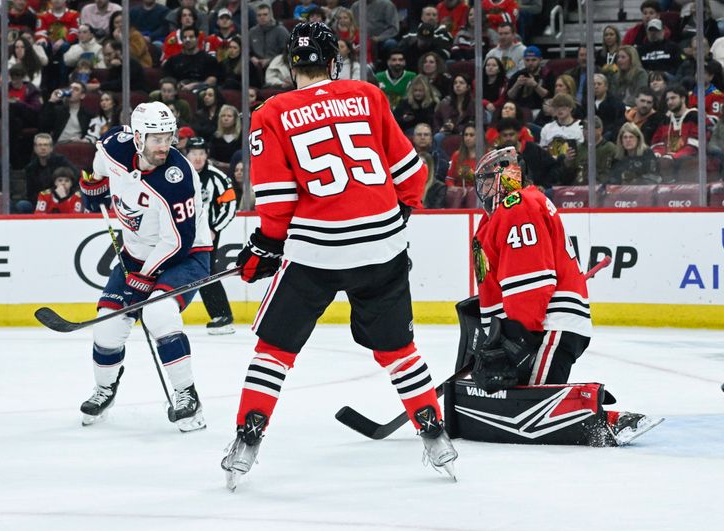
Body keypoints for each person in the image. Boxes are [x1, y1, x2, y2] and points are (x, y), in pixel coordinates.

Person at [222, 22, 458, 489]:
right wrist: (398, 215)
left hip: (317, 250)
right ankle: (434, 434)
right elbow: (411, 172)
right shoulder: (368, 95)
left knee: (275, 350)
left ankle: (247, 439)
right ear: (334, 62)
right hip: (383, 245)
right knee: (397, 349)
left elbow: (277, 200)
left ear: (293, 66)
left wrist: (265, 247)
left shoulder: (271, 112)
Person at [457, 145, 661, 446]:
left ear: (507, 175)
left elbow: (530, 282)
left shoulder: (519, 206)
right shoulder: (496, 219)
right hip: (536, 323)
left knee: (531, 410)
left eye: (488, 180)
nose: (483, 189)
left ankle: (607, 420)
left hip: (551, 323)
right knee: (512, 398)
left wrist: (515, 338)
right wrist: (491, 337)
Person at [76, 102, 212, 431]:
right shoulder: (114, 147)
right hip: (136, 254)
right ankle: (105, 388)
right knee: (107, 327)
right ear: (137, 138)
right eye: (156, 139)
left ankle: (187, 396)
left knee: (158, 314)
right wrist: (94, 183)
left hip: (186, 255)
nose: (164, 145)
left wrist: (146, 276)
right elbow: (100, 160)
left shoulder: (176, 179)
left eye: (168, 137)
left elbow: (177, 241)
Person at [184, 137, 237, 334]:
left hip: (207, 235)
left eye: (201, 153)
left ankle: (222, 315)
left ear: (207, 155)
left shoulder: (217, 177)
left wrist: (215, 228)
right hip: (182, 234)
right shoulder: (179, 174)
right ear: (187, 154)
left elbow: (230, 205)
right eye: (193, 153)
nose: (198, 158)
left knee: (205, 273)